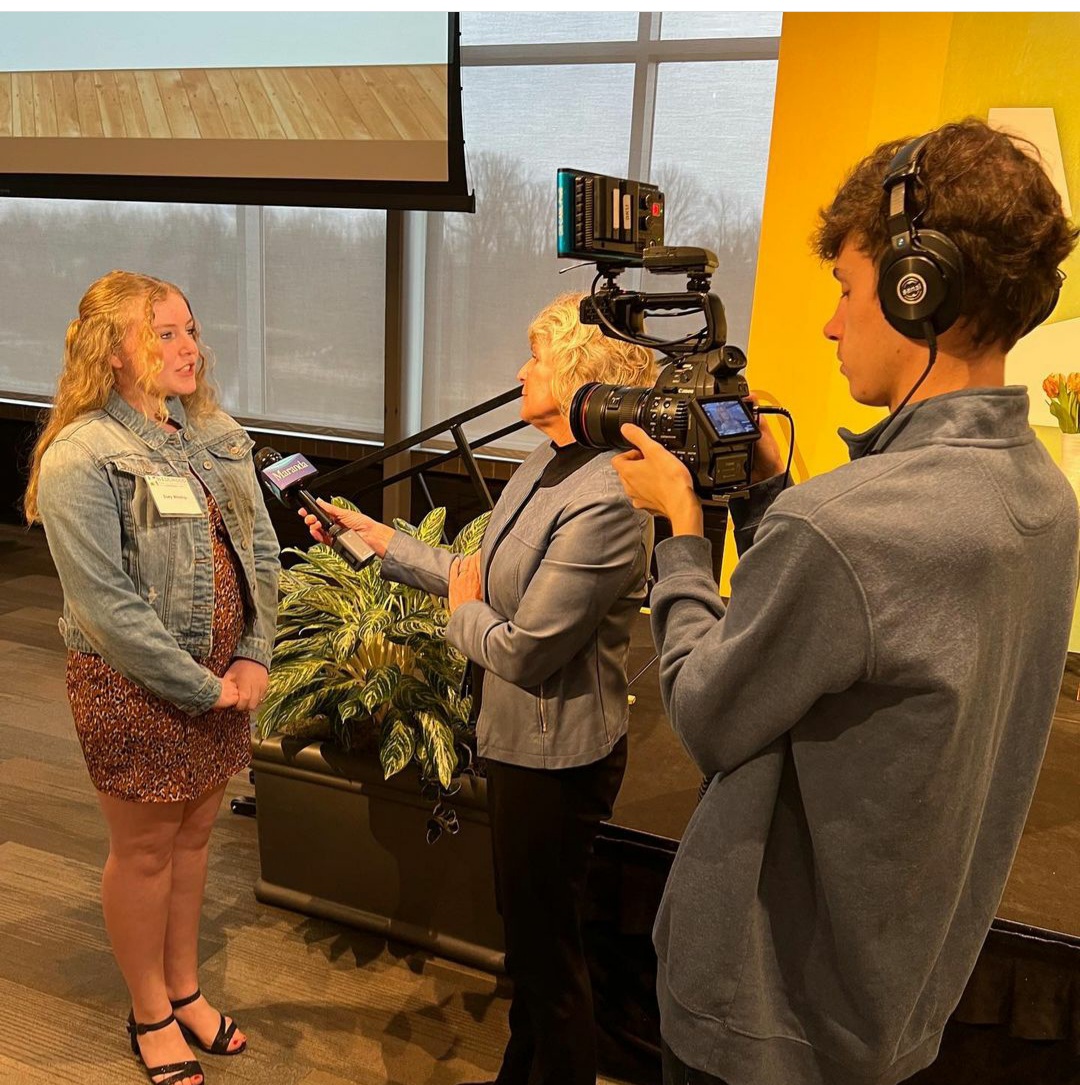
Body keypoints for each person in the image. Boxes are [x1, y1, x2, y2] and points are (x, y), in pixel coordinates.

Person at [611, 118, 1079, 1085]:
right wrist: (770, 499)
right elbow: (856, 632)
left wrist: (682, 534)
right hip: (891, 1003)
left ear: (919, 289)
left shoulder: (845, 527)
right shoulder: (1044, 497)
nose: (831, 323)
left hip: (760, 1015)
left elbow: (706, 713)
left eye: (847, 288)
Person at [301, 293, 656, 1085]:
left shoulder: (608, 498)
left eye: (537, 359)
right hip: (517, 742)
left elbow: (523, 650)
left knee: (547, 959)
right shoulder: (544, 460)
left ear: (578, 378)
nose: (522, 371)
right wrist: (376, 540)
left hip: (557, 759)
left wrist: (464, 613)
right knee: (531, 945)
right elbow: (477, 576)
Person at [25, 271, 281, 1085]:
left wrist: (254, 652)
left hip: (226, 680)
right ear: (114, 350)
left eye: (190, 330)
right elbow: (105, 607)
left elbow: (262, 549)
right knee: (143, 853)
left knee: (195, 839)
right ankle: (148, 1012)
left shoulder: (212, 430)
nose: (188, 347)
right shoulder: (80, 454)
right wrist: (205, 688)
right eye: (164, 333)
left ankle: (184, 987)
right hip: (136, 689)